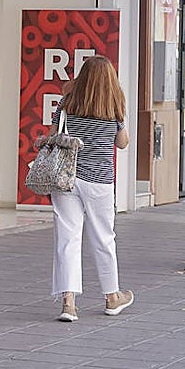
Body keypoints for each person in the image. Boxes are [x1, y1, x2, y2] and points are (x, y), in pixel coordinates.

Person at [51, 55, 134, 322]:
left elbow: (54, 135)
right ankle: (112, 297)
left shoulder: (67, 103)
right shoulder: (114, 105)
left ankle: (68, 304)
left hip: (67, 177)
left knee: (67, 239)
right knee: (103, 238)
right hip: (99, 181)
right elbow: (122, 143)